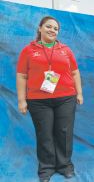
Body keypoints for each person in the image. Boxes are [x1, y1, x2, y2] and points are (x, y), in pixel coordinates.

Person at [16, 16, 83, 182]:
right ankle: (46, 168)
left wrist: (79, 93)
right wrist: (21, 100)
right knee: (44, 134)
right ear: (40, 28)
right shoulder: (28, 50)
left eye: (55, 28)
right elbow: (22, 76)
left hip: (66, 98)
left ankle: (65, 165)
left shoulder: (66, 49)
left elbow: (75, 73)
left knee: (64, 133)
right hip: (38, 100)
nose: (52, 30)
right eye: (48, 26)